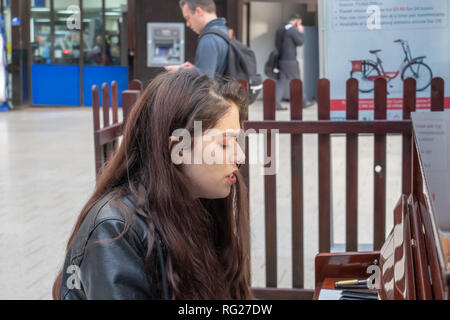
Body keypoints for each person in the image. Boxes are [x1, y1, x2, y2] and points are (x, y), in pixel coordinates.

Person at [52, 71, 252, 300]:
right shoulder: (115, 230)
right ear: (177, 148)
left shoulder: (203, 203)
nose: (240, 156)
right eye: (225, 144)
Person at [165, 0, 229, 79]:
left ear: (198, 11)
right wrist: (194, 69)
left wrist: (179, 70)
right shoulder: (223, 31)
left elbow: (204, 79)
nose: (188, 24)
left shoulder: (209, 39)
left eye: (188, 18)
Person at [275, 13, 304, 110]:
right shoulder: (292, 30)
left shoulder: (281, 29)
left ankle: (276, 103)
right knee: (297, 80)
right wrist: (301, 32)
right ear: (296, 20)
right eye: (299, 23)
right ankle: (303, 101)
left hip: (281, 58)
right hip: (290, 59)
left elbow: (277, 44)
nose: (299, 24)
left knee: (281, 81)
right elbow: (300, 42)